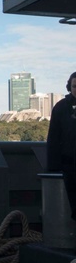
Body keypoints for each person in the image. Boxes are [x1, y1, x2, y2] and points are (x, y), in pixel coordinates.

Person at [46, 72, 76, 220]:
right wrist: (53, 166)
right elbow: (53, 137)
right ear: (69, 87)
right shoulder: (61, 108)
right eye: (75, 86)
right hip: (69, 165)